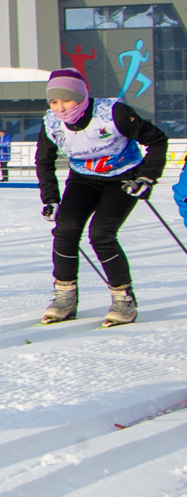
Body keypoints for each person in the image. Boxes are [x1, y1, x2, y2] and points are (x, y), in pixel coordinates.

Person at [36, 68, 167, 327]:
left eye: (67, 100)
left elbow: (157, 140)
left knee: (101, 234)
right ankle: (65, 297)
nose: (61, 108)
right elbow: (44, 160)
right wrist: (51, 198)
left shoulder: (113, 113)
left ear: (82, 97)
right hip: (84, 178)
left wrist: (146, 178)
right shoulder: (51, 123)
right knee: (66, 228)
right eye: (54, 101)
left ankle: (123, 299)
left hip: (123, 178)